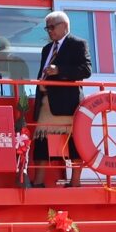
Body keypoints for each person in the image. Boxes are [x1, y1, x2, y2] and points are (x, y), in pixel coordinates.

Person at [31, 11, 92, 188]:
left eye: (52, 27)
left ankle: (75, 181)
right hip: (46, 101)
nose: (49, 31)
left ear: (65, 26)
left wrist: (59, 70)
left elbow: (85, 70)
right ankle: (39, 181)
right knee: (41, 140)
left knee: (74, 141)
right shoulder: (47, 49)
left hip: (68, 101)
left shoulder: (78, 44)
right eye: (47, 28)